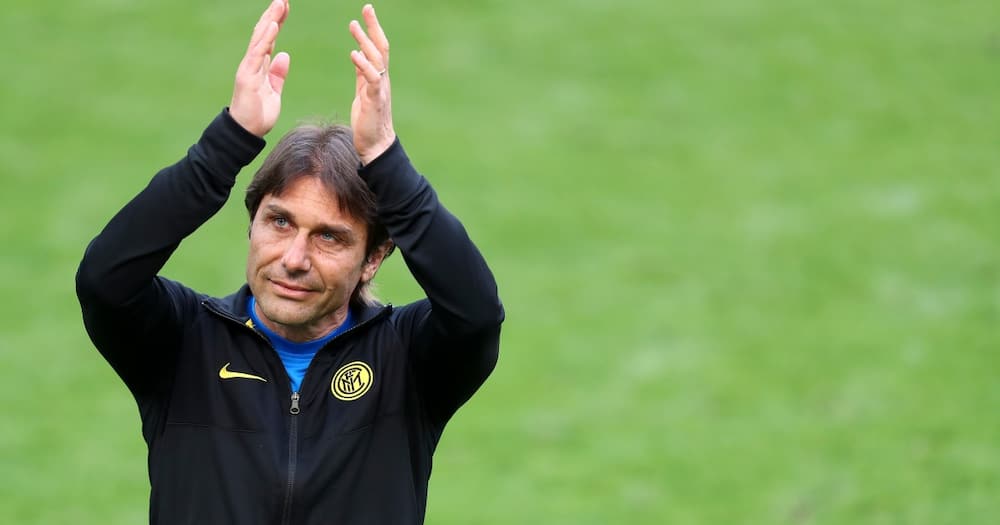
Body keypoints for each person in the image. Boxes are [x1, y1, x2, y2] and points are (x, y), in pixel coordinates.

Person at [75, 1, 503, 523]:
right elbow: (106, 279)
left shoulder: (409, 359)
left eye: (329, 237)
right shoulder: (182, 341)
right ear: (252, 224)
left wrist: (385, 156)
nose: (293, 259)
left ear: (373, 259)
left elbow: (476, 312)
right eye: (279, 222)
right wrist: (230, 138)